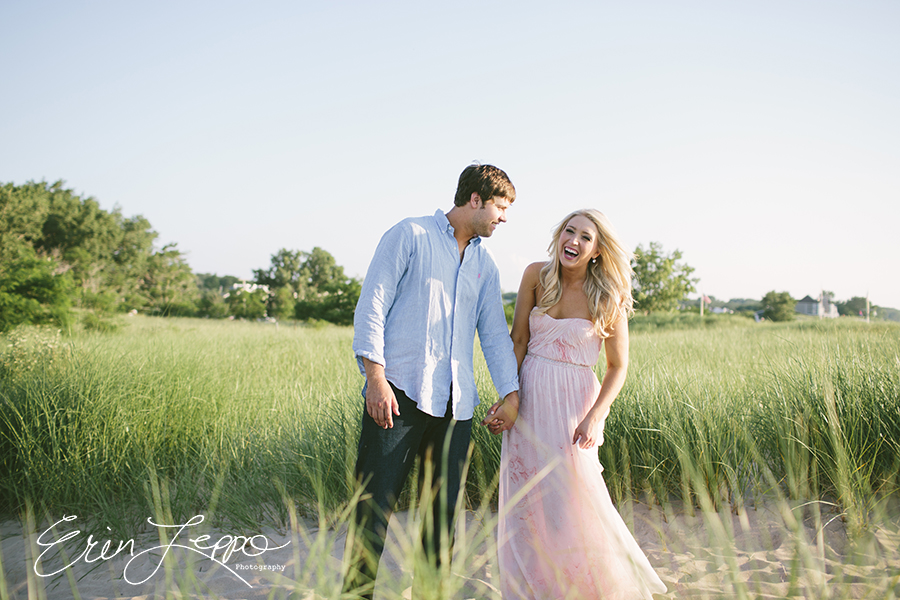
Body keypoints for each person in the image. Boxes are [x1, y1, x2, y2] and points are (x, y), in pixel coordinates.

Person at [344, 164, 521, 599]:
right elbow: (373, 304)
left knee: (442, 514)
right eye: (501, 206)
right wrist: (375, 379)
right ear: (475, 199)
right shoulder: (410, 235)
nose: (504, 217)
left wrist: (511, 393)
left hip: (456, 407)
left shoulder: (485, 263)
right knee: (373, 507)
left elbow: (495, 334)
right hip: (398, 395)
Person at [492, 209, 666, 599]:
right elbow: (518, 341)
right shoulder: (536, 275)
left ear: (597, 249)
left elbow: (618, 367)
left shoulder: (609, 294)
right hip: (529, 402)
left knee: (576, 499)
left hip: (574, 408)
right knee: (528, 503)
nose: (573, 241)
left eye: (585, 237)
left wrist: (595, 417)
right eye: (568, 232)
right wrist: (509, 396)